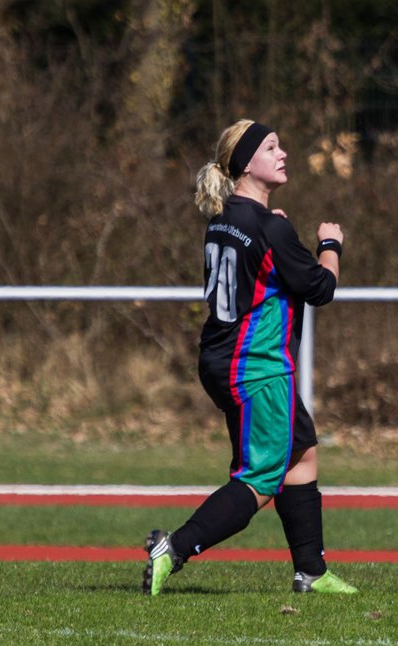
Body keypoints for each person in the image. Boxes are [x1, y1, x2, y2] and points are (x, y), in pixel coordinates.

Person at [144, 120, 357, 597]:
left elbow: (259, 266)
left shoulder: (224, 219)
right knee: (260, 475)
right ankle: (174, 549)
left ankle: (312, 571)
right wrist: (329, 245)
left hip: (220, 358)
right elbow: (320, 289)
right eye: (270, 146)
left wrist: (278, 231)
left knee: (301, 454)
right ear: (244, 164)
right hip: (256, 366)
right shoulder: (269, 226)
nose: (283, 152)